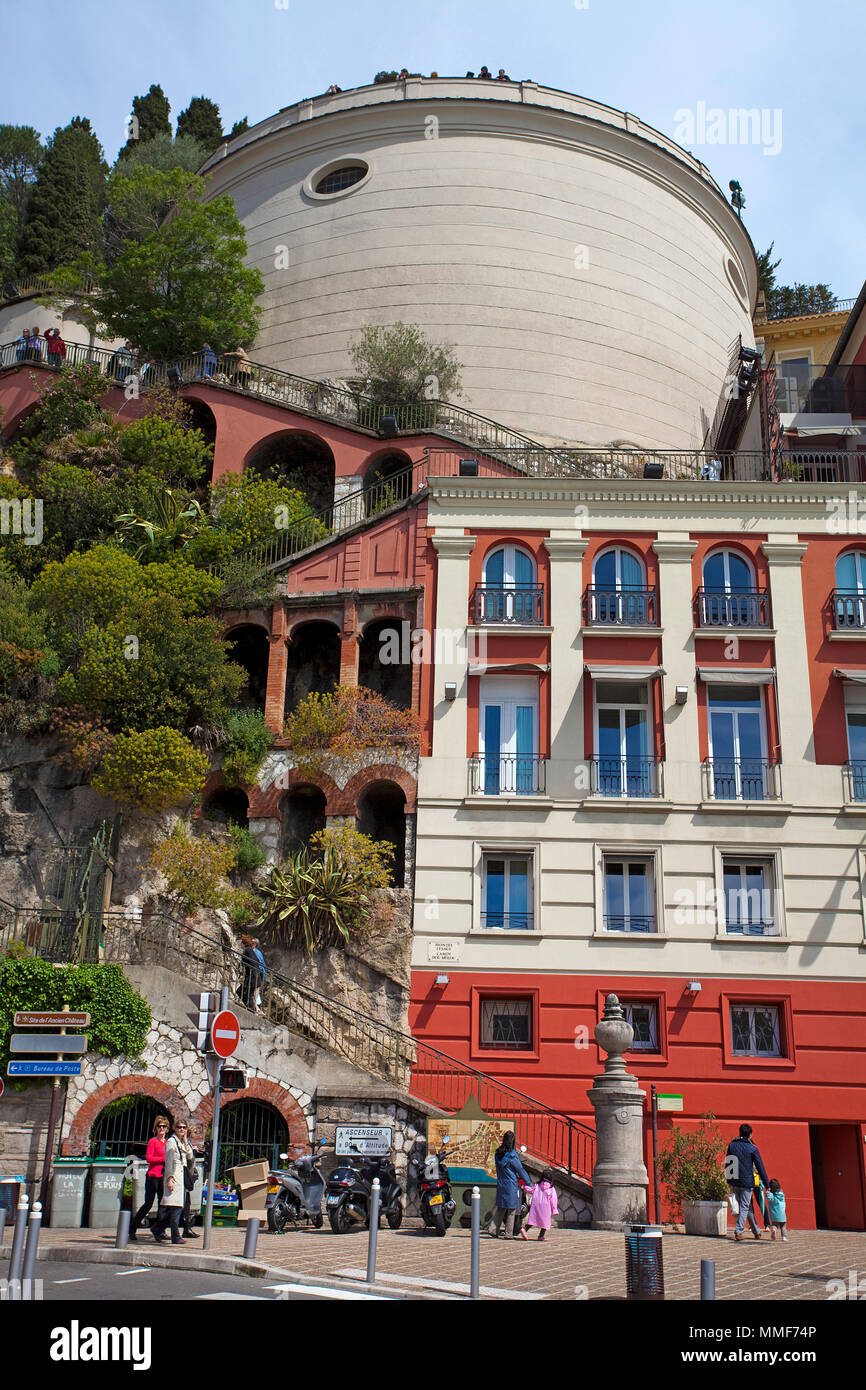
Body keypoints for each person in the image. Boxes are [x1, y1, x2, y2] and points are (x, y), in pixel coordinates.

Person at [151, 1119, 195, 1244]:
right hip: (174, 1178)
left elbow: (190, 1157)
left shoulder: (182, 1142)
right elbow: (169, 1161)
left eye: (184, 1128)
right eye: (179, 1127)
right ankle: (175, 1236)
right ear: (175, 1129)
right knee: (176, 1208)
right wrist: (169, 1179)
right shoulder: (171, 1142)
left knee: (176, 1209)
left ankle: (157, 1228)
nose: (182, 1130)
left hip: (181, 1179)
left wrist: (186, 1140)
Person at [726, 1122, 770, 1241]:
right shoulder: (752, 1148)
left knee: (747, 1206)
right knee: (745, 1206)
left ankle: (756, 1231)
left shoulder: (732, 1145)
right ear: (750, 1135)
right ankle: (739, 1230)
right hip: (746, 1182)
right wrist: (767, 1184)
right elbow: (760, 1166)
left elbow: (729, 1162)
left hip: (734, 1180)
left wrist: (728, 1179)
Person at [129, 1115, 169, 1241]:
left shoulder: (168, 1142)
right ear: (155, 1128)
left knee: (163, 1205)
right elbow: (149, 1158)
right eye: (159, 1126)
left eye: (164, 1126)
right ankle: (132, 1228)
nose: (161, 1129)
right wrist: (163, 1159)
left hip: (164, 1176)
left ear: (167, 1129)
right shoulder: (153, 1141)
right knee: (148, 1204)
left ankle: (160, 1231)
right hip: (153, 1176)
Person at [489, 1130, 531, 1238]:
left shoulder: (498, 1153)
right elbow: (520, 1169)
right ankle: (508, 1233)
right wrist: (528, 1181)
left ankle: (493, 1229)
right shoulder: (512, 1155)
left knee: (501, 1207)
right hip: (511, 1183)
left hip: (501, 1182)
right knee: (512, 1209)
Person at [520, 1168, 558, 1241]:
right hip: (546, 1207)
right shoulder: (551, 1188)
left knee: (533, 1219)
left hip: (536, 1205)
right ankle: (541, 1236)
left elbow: (531, 1190)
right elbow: (554, 1199)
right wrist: (555, 1209)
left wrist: (524, 1187)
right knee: (545, 1221)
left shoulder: (537, 1185)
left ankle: (525, 1229)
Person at [240, 934, 266, 1010]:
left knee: (249, 995)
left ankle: (251, 1010)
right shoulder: (251, 951)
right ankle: (250, 1008)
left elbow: (251, 963)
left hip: (253, 977)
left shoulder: (248, 951)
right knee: (242, 993)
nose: (240, 944)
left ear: (244, 943)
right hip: (254, 977)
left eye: (241, 942)